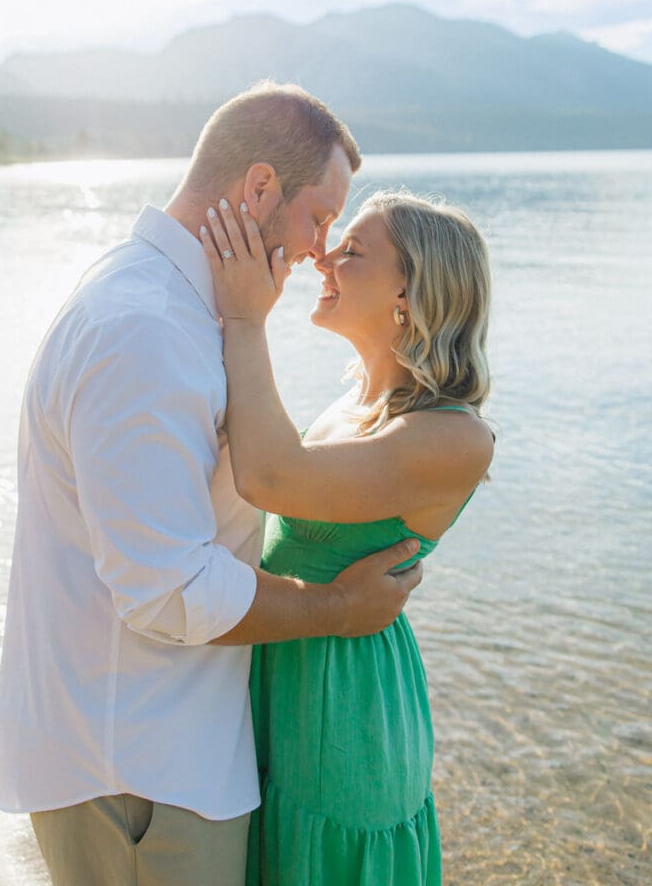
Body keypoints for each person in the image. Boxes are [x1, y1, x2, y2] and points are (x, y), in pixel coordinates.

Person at [0, 82, 424, 886]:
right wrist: (336, 609)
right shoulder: (144, 332)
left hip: (155, 757)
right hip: (138, 773)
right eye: (319, 216)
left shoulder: (178, 309)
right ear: (258, 187)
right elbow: (165, 590)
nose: (320, 250)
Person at [200, 187, 494, 886]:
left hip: (347, 711)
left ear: (409, 293)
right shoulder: (358, 399)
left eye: (353, 251)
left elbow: (270, 476)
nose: (325, 258)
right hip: (288, 675)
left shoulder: (454, 436)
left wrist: (244, 315)